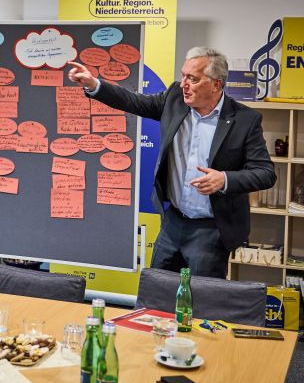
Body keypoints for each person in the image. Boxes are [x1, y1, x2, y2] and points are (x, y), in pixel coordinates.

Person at [67, 46, 276, 278]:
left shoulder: (245, 120)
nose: (183, 84)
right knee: (156, 289)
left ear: (216, 84)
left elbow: (265, 173)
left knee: (200, 296)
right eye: (183, 75)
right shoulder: (174, 98)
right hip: (173, 222)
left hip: (211, 228)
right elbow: (134, 101)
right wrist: (94, 84)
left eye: (193, 79)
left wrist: (224, 179)